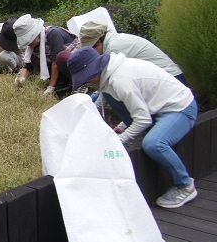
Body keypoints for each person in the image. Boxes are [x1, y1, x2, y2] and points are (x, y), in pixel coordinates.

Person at [68, 47, 198, 209]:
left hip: (181, 108)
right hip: (157, 109)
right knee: (107, 94)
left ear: (95, 71)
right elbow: (137, 105)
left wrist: (118, 140)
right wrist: (121, 128)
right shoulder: (111, 74)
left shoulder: (120, 80)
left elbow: (142, 119)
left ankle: (184, 185)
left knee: (153, 144)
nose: (88, 82)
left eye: (86, 78)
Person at [78, 20, 187, 132]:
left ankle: (142, 129)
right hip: (164, 80)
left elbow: (114, 84)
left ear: (98, 42)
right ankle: (137, 125)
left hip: (172, 81)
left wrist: (94, 108)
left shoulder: (114, 49)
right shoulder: (114, 40)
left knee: (110, 94)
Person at [1, 14, 79, 95]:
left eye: (29, 41)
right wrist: (21, 79)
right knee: (34, 59)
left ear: (35, 34)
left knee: (61, 57)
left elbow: (55, 62)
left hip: (73, 65)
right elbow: (28, 64)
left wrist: (50, 87)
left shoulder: (53, 34)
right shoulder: (35, 45)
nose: (28, 44)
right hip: (59, 65)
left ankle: (69, 83)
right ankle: (61, 83)